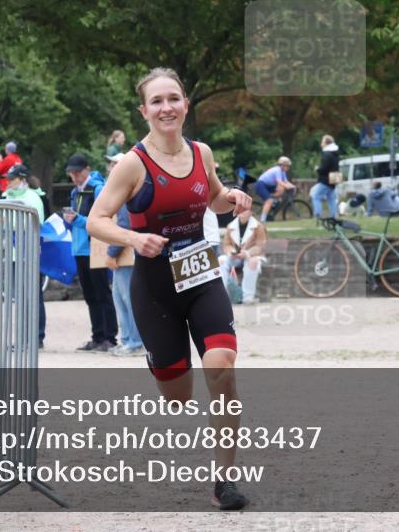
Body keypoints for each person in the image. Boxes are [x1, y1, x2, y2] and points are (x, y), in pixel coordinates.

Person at [86, 67, 252, 510]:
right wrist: (135, 239)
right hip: (155, 288)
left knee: (221, 367)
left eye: (173, 98)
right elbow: (95, 220)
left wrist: (231, 197)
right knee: (178, 398)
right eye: (156, 101)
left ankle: (225, 481)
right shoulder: (132, 164)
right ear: (144, 111)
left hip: (200, 274)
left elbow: (212, 199)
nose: (166, 107)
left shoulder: (202, 152)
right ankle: (162, 357)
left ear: (185, 104)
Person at [64, 152, 118, 352]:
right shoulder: (75, 191)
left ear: (87, 169)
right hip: (79, 248)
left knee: (102, 292)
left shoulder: (98, 188)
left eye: (77, 172)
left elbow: (103, 221)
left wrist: (76, 220)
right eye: (71, 173)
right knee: (89, 295)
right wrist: (69, 221)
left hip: (95, 248)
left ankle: (110, 337)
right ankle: (97, 336)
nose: (74, 176)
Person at [100, 153, 144, 357]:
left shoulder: (124, 192)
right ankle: (128, 339)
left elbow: (124, 225)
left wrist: (111, 253)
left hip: (127, 255)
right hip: (126, 255)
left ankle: (135, 342)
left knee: (128, 299)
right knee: (121, 298)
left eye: (113, 164)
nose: (109, 168)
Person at [3, 164, 49, 349]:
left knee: (33, 296)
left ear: (22, 180)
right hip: (15, 253)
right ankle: (23, 335)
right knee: (20, 297)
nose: (9, 183)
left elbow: (37, 223)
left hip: (29, 252)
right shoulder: (7, 197)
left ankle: (36, 336)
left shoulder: (33, 197)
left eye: (12, 179)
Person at [219, 206, 268, 305]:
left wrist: (247, 253)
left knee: (252, 262)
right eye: (240, 210)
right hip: (235, 256)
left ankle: (248, 297)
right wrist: (232, 252)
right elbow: (226, 245)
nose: (243, 212)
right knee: (221, 260)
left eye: (245, 210)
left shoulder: (258, 226)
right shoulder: (231, 226)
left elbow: (260, 246)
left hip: (252, 255)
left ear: (250, 212)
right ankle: (221, 296)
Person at [255, 156, 295, 223]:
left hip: (269, 186)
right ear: (282, 165)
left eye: (288, 166)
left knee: (281, 189)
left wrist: (294, 186)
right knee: (269, 201)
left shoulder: (282, 172)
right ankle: (262, 220)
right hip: (261, 184)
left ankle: (273, 201)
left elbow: (285, 182)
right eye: (287, 166)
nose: (288, 168)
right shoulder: (277, 170)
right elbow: (279, 181)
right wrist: (287, 187)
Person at [311, 134, 340, 221]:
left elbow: (324, 168)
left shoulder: (327, 154)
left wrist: (317, 169)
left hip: (326, 179)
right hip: (334, 178)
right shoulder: (335, 153)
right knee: (331, 198)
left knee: (315, 196)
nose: (321, 144)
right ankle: (334, 216)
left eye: (322, 142)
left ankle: (318, 216)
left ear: (326, 143)